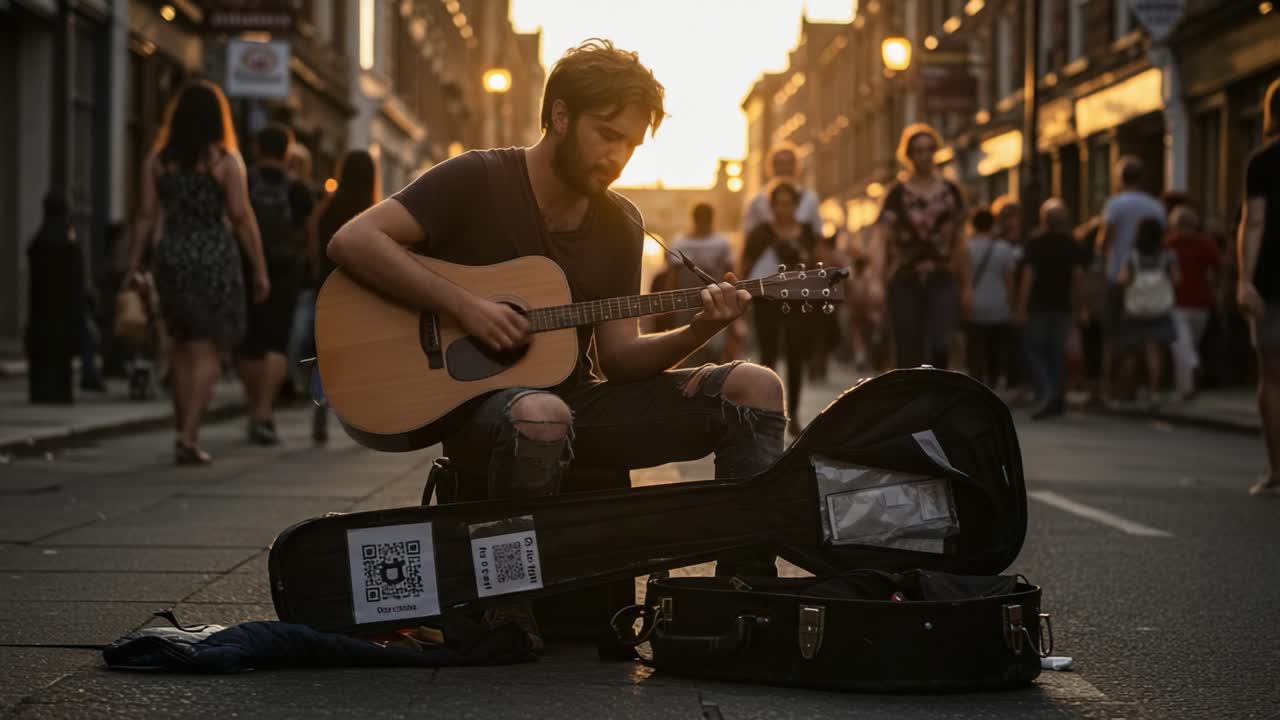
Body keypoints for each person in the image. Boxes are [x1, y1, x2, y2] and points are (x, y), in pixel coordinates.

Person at [326, 39, 787, 639]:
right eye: (606, 134)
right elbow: (353, 241)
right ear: (561, 116)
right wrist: (464, 305)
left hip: (580, 405)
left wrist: (701, 329)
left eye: (630, 143)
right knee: (539, 416)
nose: (618, 156)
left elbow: (619, 360)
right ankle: (507, 610)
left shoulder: (620, 221)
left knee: (754, 387)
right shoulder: (476, 179)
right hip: (480, 410)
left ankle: (741, 599)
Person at [126, 80, 270, 465]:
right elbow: (240, 217)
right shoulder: (225, 161)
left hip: (171, 256)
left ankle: (182, 430)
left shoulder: (158, 161)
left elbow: (145, 216)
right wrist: (259, 268)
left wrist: (133, 265)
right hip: (213, 259)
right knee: (208, 349)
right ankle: (188, 436)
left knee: (180, 347)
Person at [235, 124, 315, 446]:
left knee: (249, 341)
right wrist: (309, 267)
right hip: (285, 271)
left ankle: (256, 407)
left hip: (247, 266)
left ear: (256, 149)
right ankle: (264, 413)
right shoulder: (298, 190)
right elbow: (309, 235)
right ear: (287, 152)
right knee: (277, 343)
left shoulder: (245, 181)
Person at [870, 123, 969, 369]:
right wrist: (875, 282)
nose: (924, 156)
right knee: (907, 346)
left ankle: (937, 399)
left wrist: (968, 286)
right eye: (918, 150)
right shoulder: (896, 195)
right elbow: (881, 240)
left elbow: (959, 242)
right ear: (908, 155)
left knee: (941, 344)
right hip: (904, 279)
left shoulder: (951, 192)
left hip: (942, 277)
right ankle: (910, 401)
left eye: (929, 149)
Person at [305, 149, 381, 445]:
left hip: (326, 289)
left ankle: (319, 415)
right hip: (360, 293)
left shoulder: (326, 208)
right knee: (363, 355)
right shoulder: (372, 212)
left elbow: (313, 241)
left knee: (326, 356)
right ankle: (364, 422)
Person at [740, 182, 818, 435]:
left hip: (798, 299)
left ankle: (793, 414)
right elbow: (746, 264)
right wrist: (742, 298)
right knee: (768, 355)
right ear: (771, 206)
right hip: (766, 299)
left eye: (789, 203)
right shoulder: (761, 232)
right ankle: (768, 414)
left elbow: (819, 261)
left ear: (796, 205)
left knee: (796, 354)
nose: (784, 208)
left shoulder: (806, 232)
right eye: (779, 203)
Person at [1096, 156, 1166, 402]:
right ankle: (1150, 389)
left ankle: (1111, 386)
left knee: (1113, 334)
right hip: (1149, 277)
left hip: (1118, 275)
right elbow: (1161, 240)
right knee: (1148, 335)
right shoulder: (1155, 206)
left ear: (1120, 178)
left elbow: (1105, 240)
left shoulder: (1115, 205)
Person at [1240, 78, 1280, 496]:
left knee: (1273, 376)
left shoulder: (1263, 161)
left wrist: (1244, 280)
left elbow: (1254, 222)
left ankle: (1276, 471)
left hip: (1272, 283)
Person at [1017, 199, 1087, 419]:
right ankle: (1055, 397)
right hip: (1062, 305)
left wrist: (1021, 306)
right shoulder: (1071, 243)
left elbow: (1028, 277)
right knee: (1056, 352)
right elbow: (1078, 278)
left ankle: (1048, 392)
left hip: (1039, 305)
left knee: (1034, 350)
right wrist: (1079, 305)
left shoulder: (1035, 243)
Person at [1117, 217, 1179, 408]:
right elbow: (1177, 278)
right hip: (1159, 309)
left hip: (1136, 310)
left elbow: (1123, 279)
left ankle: (1128, 391)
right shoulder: (1167, 255)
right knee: (1154, 352)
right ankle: (1154, 391)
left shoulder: (1132, 256)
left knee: (1132, 351)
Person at [667, 202, 736, 364]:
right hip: (686, 302)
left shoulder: (720, 243)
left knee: (714, 347)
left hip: (714, 300)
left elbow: (730, 274)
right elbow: (672, 276)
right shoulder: (680, 243)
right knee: (687, 344)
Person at [1165, 205, 1220, 401]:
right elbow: (1216, 269)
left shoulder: (1170, 244)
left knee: (1182, 344)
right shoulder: (1204, 244)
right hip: (1202, 301)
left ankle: (1188, 377)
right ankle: (1186, 385)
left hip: (1179, 300)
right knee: (1189, 343)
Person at [963, 207, 1017, 389]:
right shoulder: (1004, 248)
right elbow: (1009, 280)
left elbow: (962, 278)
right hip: (999, 305)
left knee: (976, 349)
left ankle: (975, 383)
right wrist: (1012, 304)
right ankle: (993, 382)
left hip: (974, 306)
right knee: (995, 348)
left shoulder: (966, 248)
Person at [742, 143, 822, 238]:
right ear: (771, 166)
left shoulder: (810, 199)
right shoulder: (758, 201)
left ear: (797, 166)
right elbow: (748, 235)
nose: (785, 168)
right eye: (779, 163)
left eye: (789, 163)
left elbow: (817, 234)